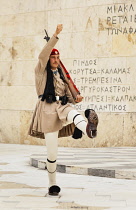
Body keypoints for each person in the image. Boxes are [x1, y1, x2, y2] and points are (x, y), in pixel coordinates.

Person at [28, 24, 98, 196]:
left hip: (62, 106)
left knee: (74, 114)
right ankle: (52, 184)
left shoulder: (61, 75)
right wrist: (55, 36)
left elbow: (68, 93)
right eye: (54, 57)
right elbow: (42, 55)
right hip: (48, 111)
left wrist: (76, 98)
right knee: (52, 153)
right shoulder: (40, 72)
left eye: (58, 57)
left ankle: (89, 130)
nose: (55, 59)